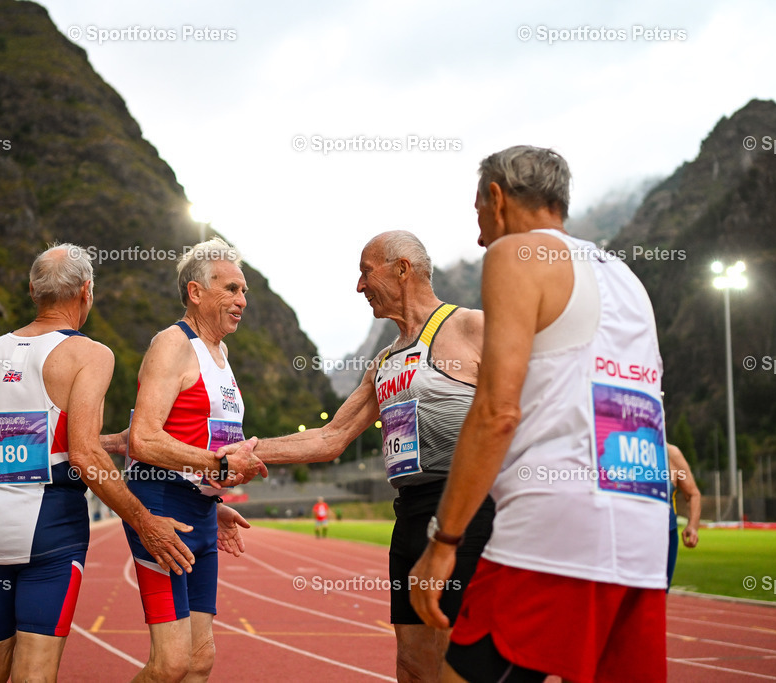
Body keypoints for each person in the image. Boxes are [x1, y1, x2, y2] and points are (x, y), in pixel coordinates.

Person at [409, 146, 670, 683]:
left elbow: (497, 409)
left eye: (478, 214)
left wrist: (443, 541)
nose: (481, 236)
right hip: (643, 524)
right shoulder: (625, 279)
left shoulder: (517, 255)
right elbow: (635, 402)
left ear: (497, 199)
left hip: (558, 528)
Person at [253, 230, 494, 683]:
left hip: (465, 511)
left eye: (366, 273)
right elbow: (330, 438)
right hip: (408, 515)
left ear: (402, 269)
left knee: (457, 664)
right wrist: (250, 450)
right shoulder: (384, 361)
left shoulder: (472, 328)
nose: (359, 287)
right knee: (411, 662)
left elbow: (537, 404)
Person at [0, 243, 196, 683]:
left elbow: (22, 436)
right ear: (86, 291)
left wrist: (110, 441)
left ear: (33, 289)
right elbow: (83, 455)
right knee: (35, 672)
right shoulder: (90, 354)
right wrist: (144, 520)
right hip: (49, 527)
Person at [104, 237, 266, 683]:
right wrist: (218, 468)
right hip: (161, 505)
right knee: (170, 663)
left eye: (244, 290)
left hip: (201, 513)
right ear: (196, 292)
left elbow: (195, 432)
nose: (242, 300)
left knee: (199, 662)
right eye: (231, 289)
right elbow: (144, 438)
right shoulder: (172, 344)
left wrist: (214, 498)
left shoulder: (222, 354)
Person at [667, 443, 701, 589]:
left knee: (659, 594)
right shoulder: (623, 450)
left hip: (666, 535)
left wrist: (692, 526)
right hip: (628, 535)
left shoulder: (671, 454)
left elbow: (693, 494)